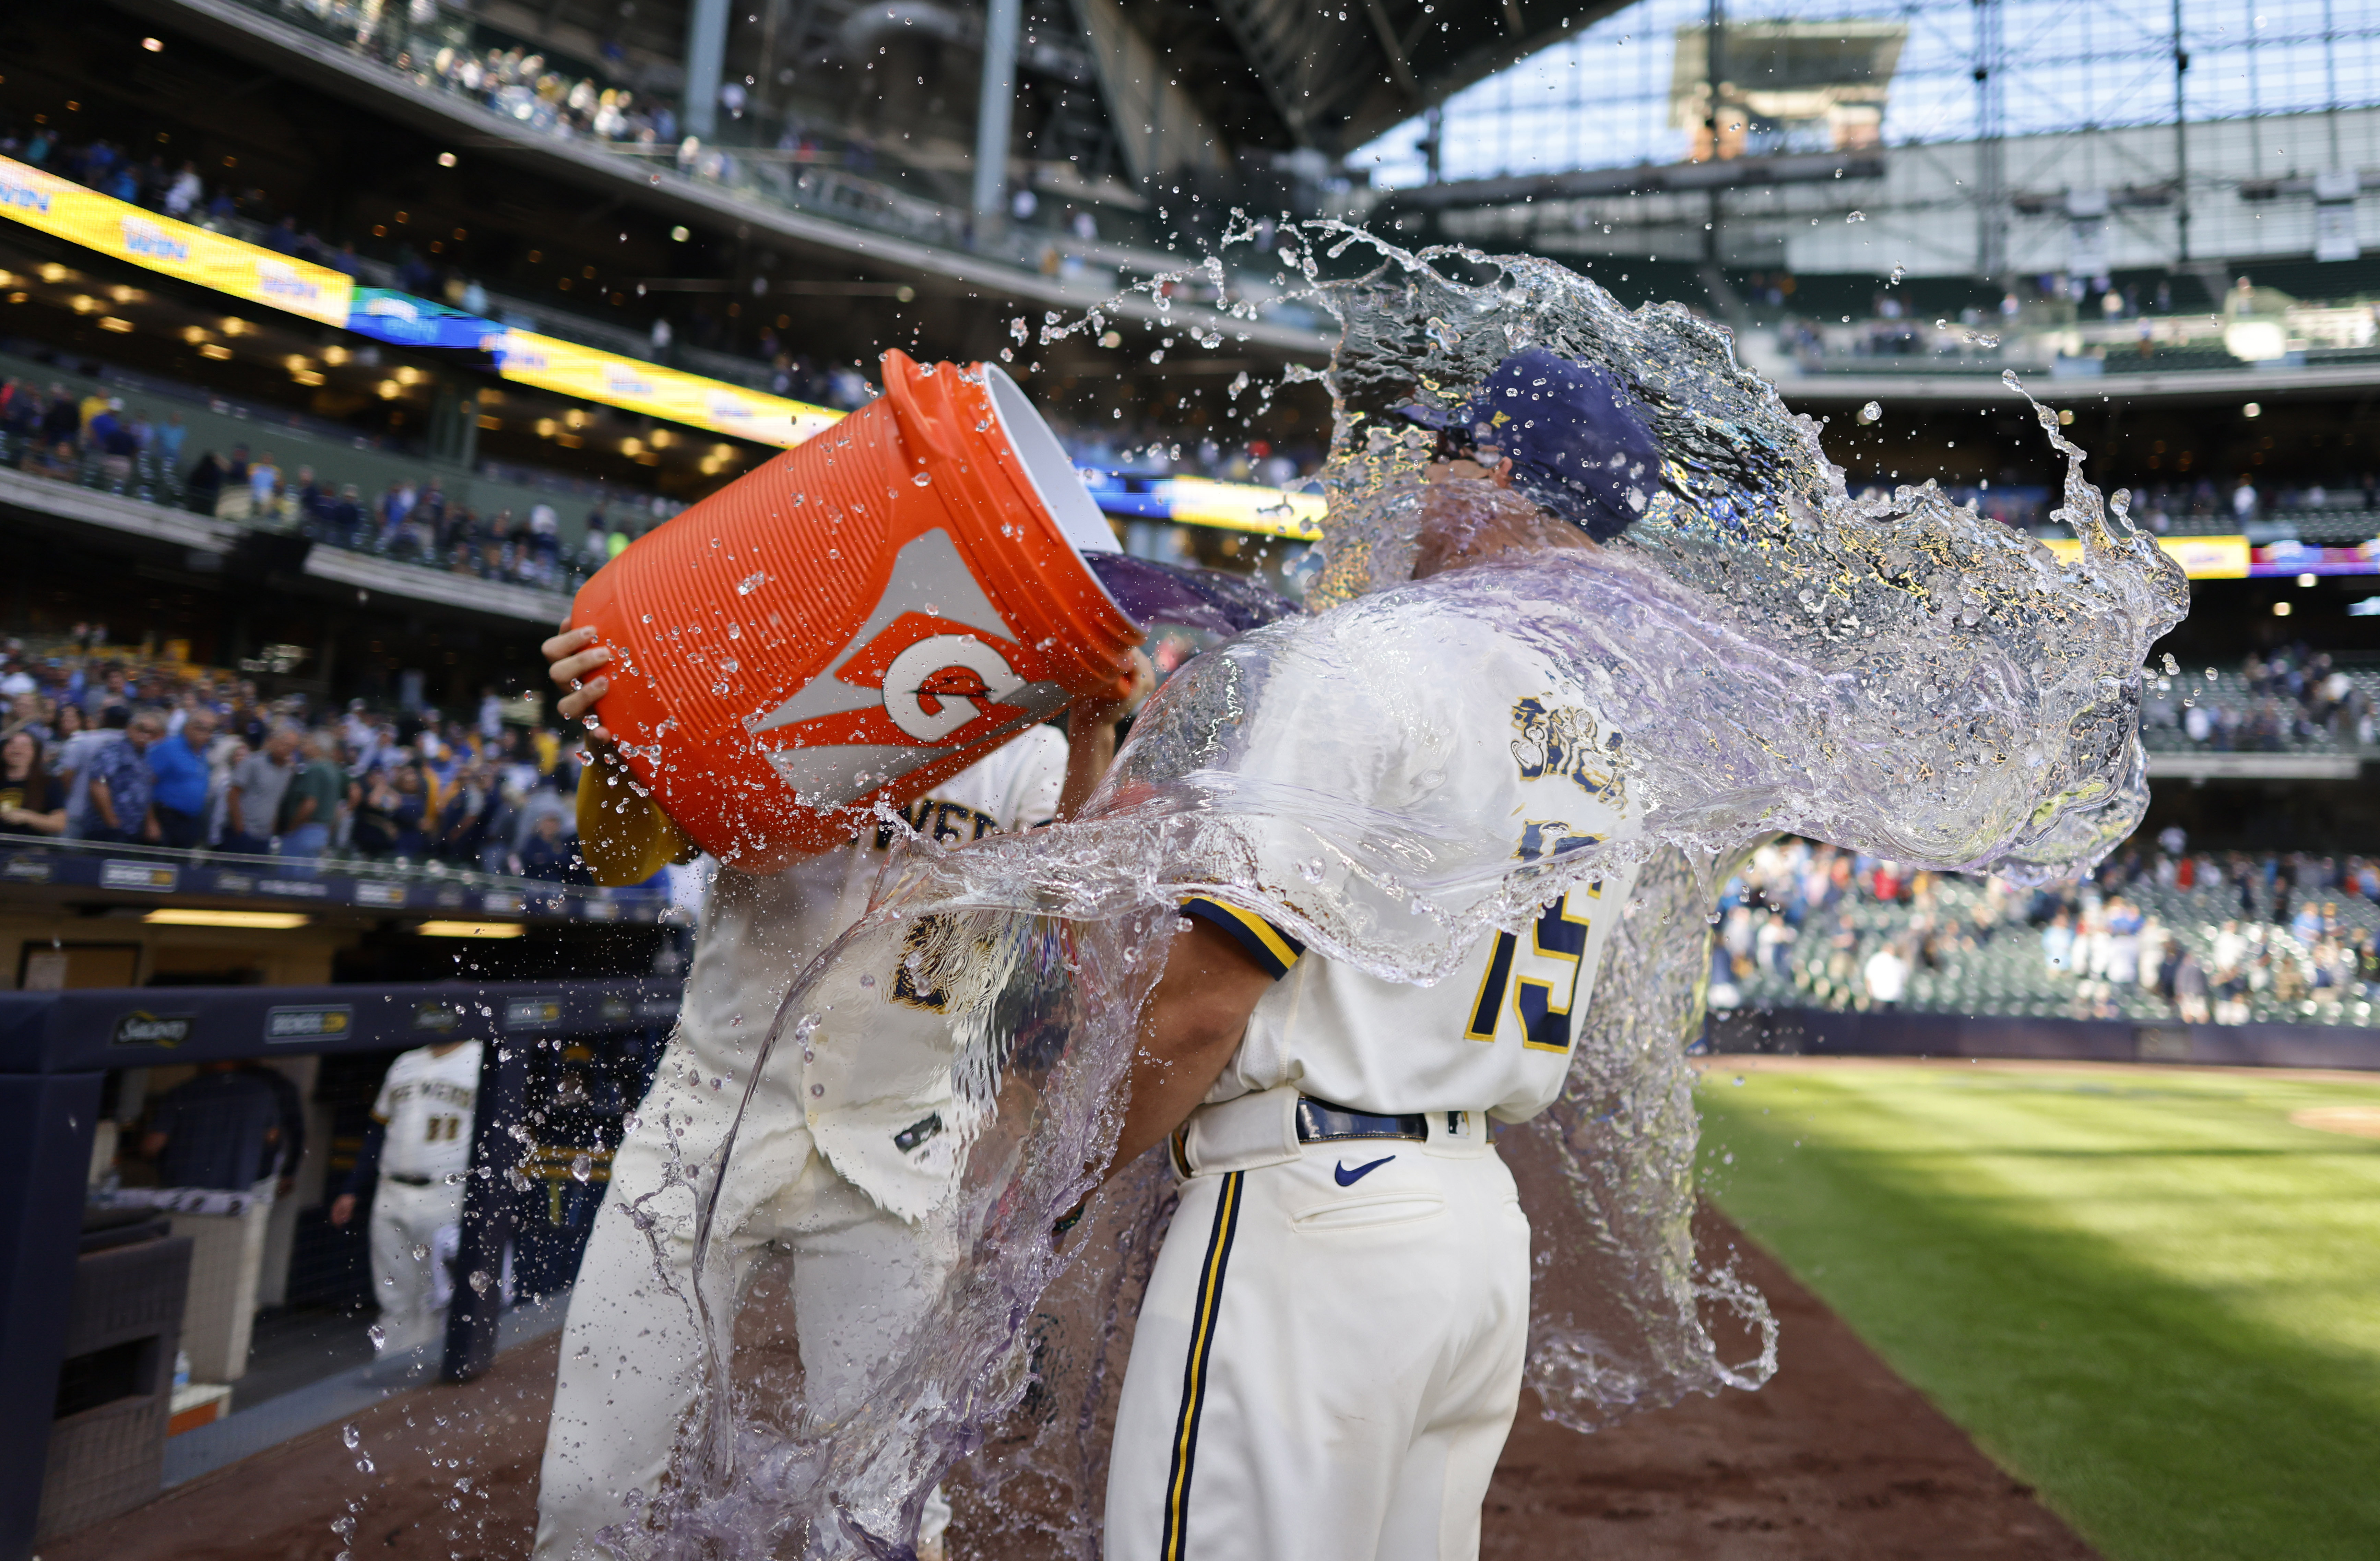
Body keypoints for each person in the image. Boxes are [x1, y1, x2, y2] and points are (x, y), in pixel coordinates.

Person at [1087, 349, 1671, 1561]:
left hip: (1312, 1216)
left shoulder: (1371, 656)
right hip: (1469, 1237)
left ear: (1495, 472)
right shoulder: (1606, 743)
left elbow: (1204, 1004)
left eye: (1442, 454)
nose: (1415, 484)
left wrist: (1063, 1192)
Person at [529, 618, 1150, 1561]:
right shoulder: (775, 680)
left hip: (895, 1141)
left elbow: (1071, 928)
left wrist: (1095, 732)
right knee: (587, 1482)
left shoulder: (1028, 745)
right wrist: (618, 746)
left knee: (882, 1508)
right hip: (709, 1111)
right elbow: (620, 854)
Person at [330, 1038, 485, 1356]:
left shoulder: (483, 1059)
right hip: (391, 1190)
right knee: (393, 1294)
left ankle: (429, 1376)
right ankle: (390, 1370)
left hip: (446, 1191)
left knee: (437, 1295)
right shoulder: (405, 1062)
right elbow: (377, 1131)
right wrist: (351, 1188)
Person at [141, 1061, 285, 1191]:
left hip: (183, 1197)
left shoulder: (182, 1092)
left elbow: (152, 1146)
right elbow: (272, 1139)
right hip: (237, 1197)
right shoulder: (262, 1093)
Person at [73, 708, 164, 844]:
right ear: (130, 728)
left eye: (152, 732)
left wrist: (150, 822)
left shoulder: (146, 756)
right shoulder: (114, 750)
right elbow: (100, 782)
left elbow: (145, 791)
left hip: (134, 830)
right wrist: (110, 818)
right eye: (142, 729)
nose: (145, 735)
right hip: (108, 828)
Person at [223, 721, 299, 855]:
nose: (287, 749)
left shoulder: (289, 772)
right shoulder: (253, 762)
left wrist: (273, 831)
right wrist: (239, 827)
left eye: (292, 747)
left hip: (265, 837)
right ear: (274, 742)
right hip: (243, 832)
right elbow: (233, 794)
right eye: (285, 744)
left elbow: (277, 802)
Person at [146, 706, 216, 849]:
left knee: (183, 867)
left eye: (210, 730)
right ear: (187, 728)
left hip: (190, 821)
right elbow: (146, 784)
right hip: (167, 819)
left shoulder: (203, 753)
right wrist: (151, 822)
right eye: (200, 728)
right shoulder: (168, 748)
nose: (205, 734)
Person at [280, 729, 345, 860]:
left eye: (308, 744)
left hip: (304, 830)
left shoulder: (315, 769)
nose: (303, 748)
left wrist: (292, 827)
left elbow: (310, 804)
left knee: (291, 878)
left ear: (317, 747)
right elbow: (338, 809)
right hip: (322, 832)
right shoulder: (334, 770)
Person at [0, 730, 66, 835]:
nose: (17, 749)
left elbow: (59, 824)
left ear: (35, 753)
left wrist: (26, 817)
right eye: (12, 744)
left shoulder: (48, 783)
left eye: (25, 746)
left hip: (29, 849)